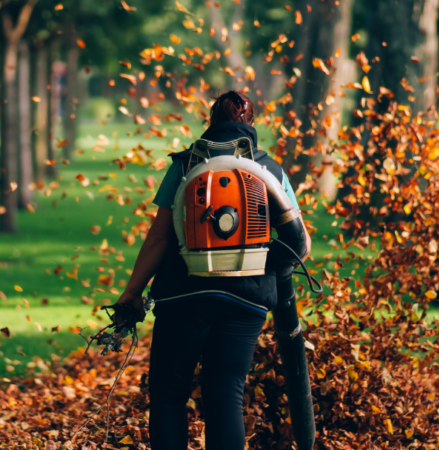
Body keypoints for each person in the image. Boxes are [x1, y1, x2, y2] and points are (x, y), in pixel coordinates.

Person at [111, 90, 314, 450]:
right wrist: (268, 273)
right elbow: (302, 244)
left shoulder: (185, 164)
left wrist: (131, 293)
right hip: (247, 301)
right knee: (226, 397)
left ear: (211, 120)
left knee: (169, 394)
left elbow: (159, 238)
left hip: (183, 295)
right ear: (251, 123)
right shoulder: (269, 169)